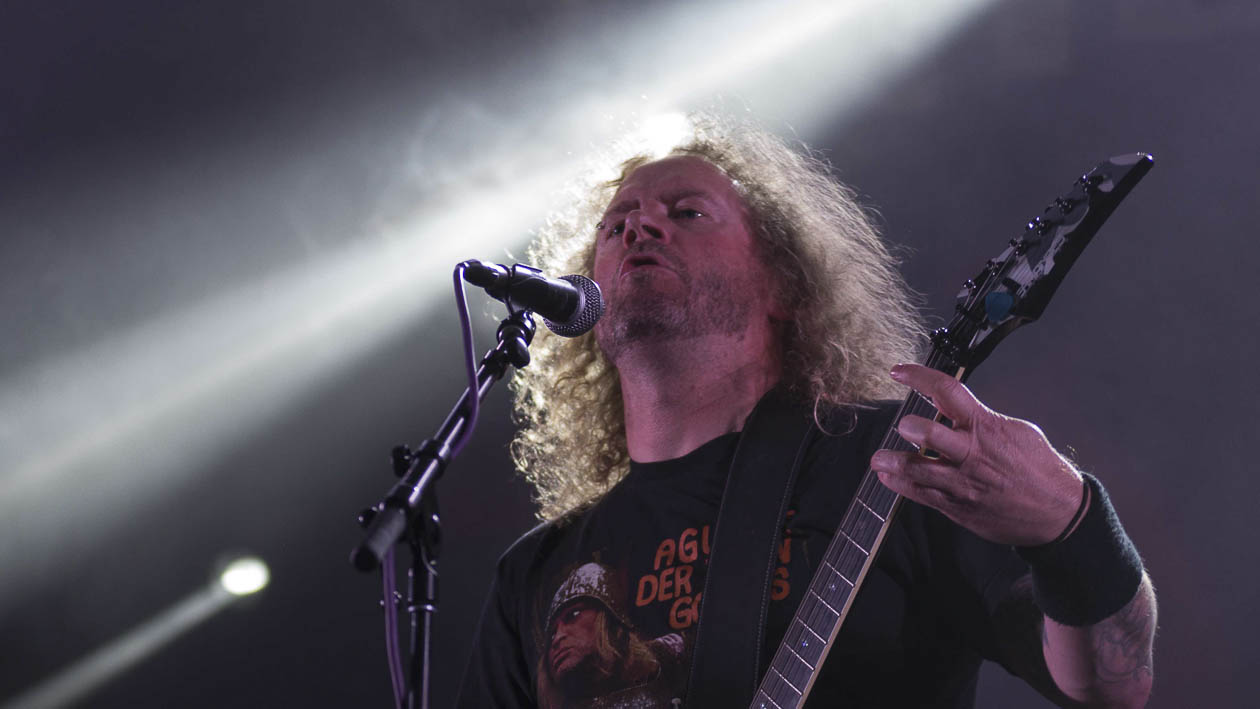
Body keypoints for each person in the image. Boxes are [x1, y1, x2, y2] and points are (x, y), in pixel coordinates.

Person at [458, 115, 1156, 707]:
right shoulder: (536, 572)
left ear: (784, 285)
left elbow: (1114, 684)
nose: (639, 225)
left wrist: (1072, 524)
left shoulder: (899, 463)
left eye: (687, 212)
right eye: (614, 226)